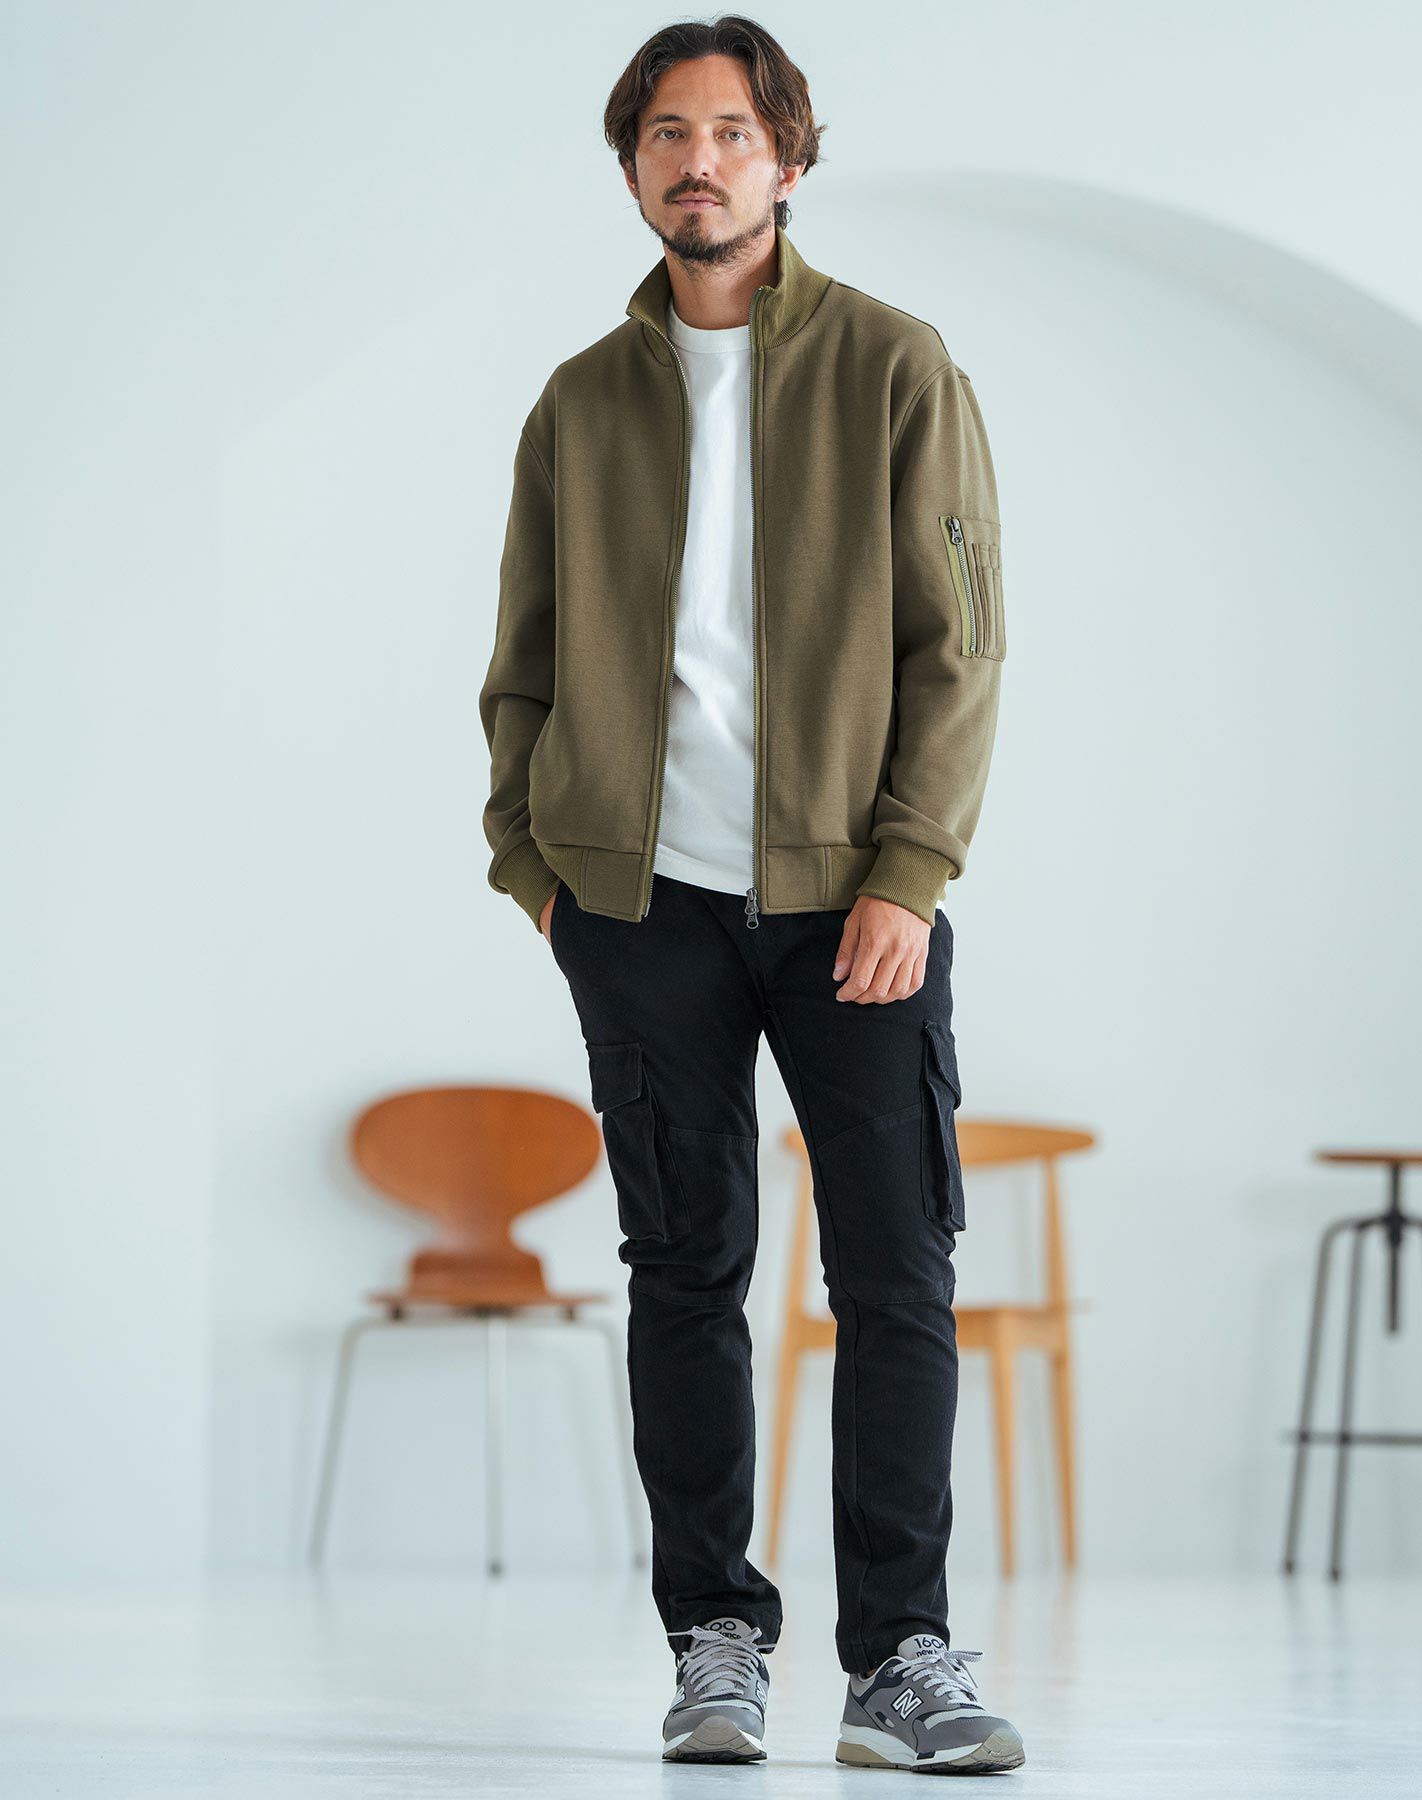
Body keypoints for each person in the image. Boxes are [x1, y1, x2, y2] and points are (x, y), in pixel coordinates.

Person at [478, 13, 1021, 1776]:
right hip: (640, 907)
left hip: (853, 900)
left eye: (727, 131)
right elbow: (523, 661)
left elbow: (960, 648)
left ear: (789, 158)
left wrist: (911, 873)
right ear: (633, 165)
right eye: (664, 133)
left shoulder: (894, 366)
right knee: (685, 1270)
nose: (695, 160)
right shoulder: (581, 403)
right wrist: (540, 873)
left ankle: (900, 1658)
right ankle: (713, 1640)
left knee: (895, 1274)